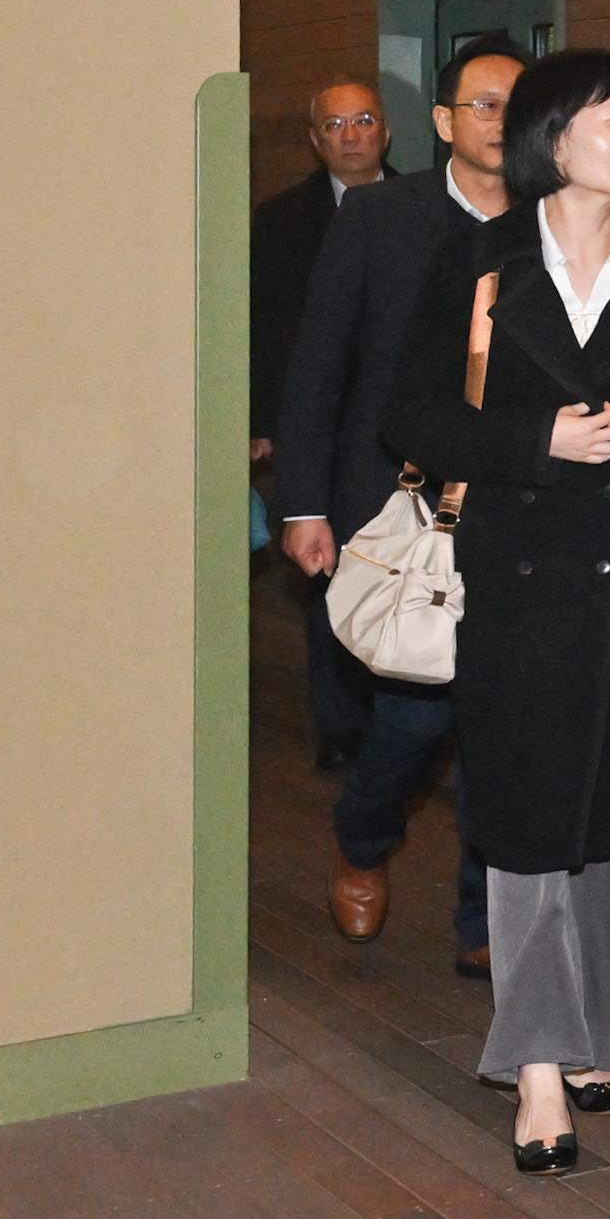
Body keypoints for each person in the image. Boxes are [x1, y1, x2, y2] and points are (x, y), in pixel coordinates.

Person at [383, 48, 610, 1171]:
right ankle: (532, 1069)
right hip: (518, 585)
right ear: (554, 136)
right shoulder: (478, 261)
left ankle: (588, 1035)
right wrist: (537, 441)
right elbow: (411, 412)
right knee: (521, 820)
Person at [278, 36, 524, 974]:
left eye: (518, 104)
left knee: (500, 723)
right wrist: (304, 503)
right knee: (416, 720)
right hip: (397, 506)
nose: (502, 121)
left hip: (518, 507)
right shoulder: (382, 216)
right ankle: (364, 836)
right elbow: (319, 365)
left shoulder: (562, 220)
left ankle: (483, 919)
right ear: (443, 121)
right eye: (484, 104)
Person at [254, 77, 393, 769]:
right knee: (325, 576)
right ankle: (342, 730)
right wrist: (257, 419)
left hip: (398, 433)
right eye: (334, 124)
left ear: (386, 131)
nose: (350, 134)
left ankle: (404, 723)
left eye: (363, 119)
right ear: (316, 140)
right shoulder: (279, 222)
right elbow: (264, 332)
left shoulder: (426, 207)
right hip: (314, 432)